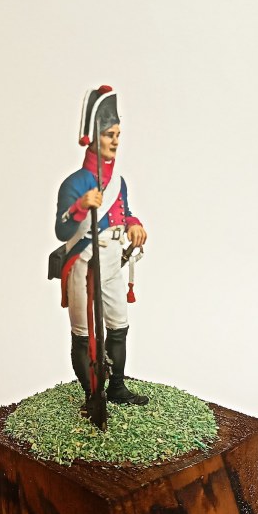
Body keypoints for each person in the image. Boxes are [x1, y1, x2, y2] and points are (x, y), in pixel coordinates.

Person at [55, 85, 148, 409]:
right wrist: (81, 206)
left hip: (111, 262)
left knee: (118, 326)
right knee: (83, 333)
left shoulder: (118, 181)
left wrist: (134, 224)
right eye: (109, 134)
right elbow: (62, 230)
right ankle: (92, 396)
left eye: (118, 134)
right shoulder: (74, 183)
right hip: (83, 261)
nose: (116, 141)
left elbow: (123, 212)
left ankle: (116, 388)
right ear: (94, 138)